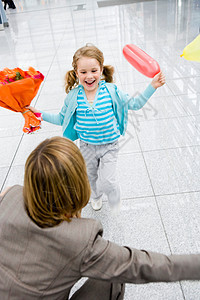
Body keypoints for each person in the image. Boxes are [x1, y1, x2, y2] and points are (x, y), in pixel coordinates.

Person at [0, 136, 200, 299]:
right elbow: (140, 265)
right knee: (112, 277)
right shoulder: (81, 240)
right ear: (79, 183)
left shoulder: (8, 196)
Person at [28, 44, 165, 211]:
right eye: (83, 72)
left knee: (108, 180)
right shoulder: (73, 97)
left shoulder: (111, 91)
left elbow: (135, 104)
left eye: (94, 70)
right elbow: (61, 119)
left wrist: (153, 86)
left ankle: (114, 197)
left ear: (101, 69)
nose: (89, 76)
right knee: (90, 177)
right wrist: (39, 114)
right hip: (87, 146)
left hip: (110, 146)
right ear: (76, 73)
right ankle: (96, 196)